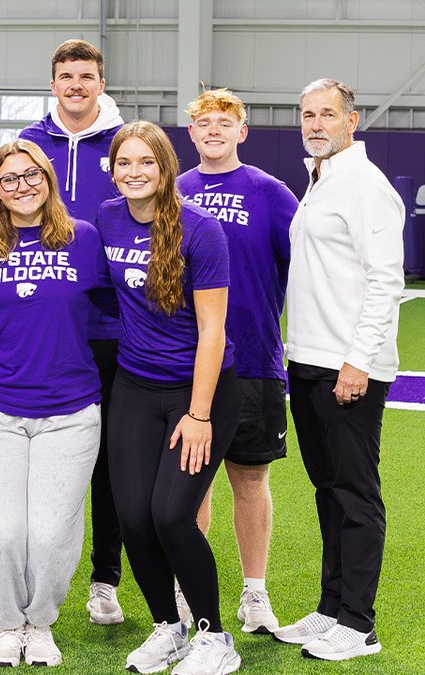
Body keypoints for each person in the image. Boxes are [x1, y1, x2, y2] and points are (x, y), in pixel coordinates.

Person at [98, 121, 242, 675]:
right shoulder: (108, 218)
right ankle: (169, 629)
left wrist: (199, 414)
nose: (134, 173)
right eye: (124, 163)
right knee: (132, 517)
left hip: (200, 390)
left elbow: (213, 330)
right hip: (135, 387)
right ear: (112, 170)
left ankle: (214, 637)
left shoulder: (201, 231)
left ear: (165, 168)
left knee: (171, 516)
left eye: (146, 163)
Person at [0, 141, 109, 668]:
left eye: (31, 175)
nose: (21, 186)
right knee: (1, 531)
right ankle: (6, 623)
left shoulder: (83, 239)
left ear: (49, 179)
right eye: (8, 179)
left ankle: (39, 622)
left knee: (49, 532)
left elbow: (119, 309)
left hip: (69, 411)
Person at [273, 79, 404, 662]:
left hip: (347, 370)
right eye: (307, 114)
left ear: (352, 121)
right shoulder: (321, 180)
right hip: (307, 363)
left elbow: (385, 281)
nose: (316, 123)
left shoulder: (366, 187)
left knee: (354, 494)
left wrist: (358, 361)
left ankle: (360, 624)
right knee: (328, 491)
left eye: (328, 114)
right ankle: (331, 609)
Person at [177, 88, 298, 636]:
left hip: (253, 361)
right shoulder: (171, 192)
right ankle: (187, 590)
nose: (214, 131)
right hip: (188, 365)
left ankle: (255, 593)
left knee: (250, 480)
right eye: (204, 123)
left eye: (225, 123)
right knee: (191, 483)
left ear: (242, 132)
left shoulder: (271, 193)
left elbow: (302, 270)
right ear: (192, 133)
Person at [19, 38, 127, 625]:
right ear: (54, 82)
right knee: (43, 458)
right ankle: (38, 573)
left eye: (86, 75)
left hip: (114, 327)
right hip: (45, 326)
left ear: (101, 82)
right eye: (66, 75)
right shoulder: (29, 144)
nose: (76, 85)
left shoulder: (128, 144)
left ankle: (105, 579)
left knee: (110, 460)